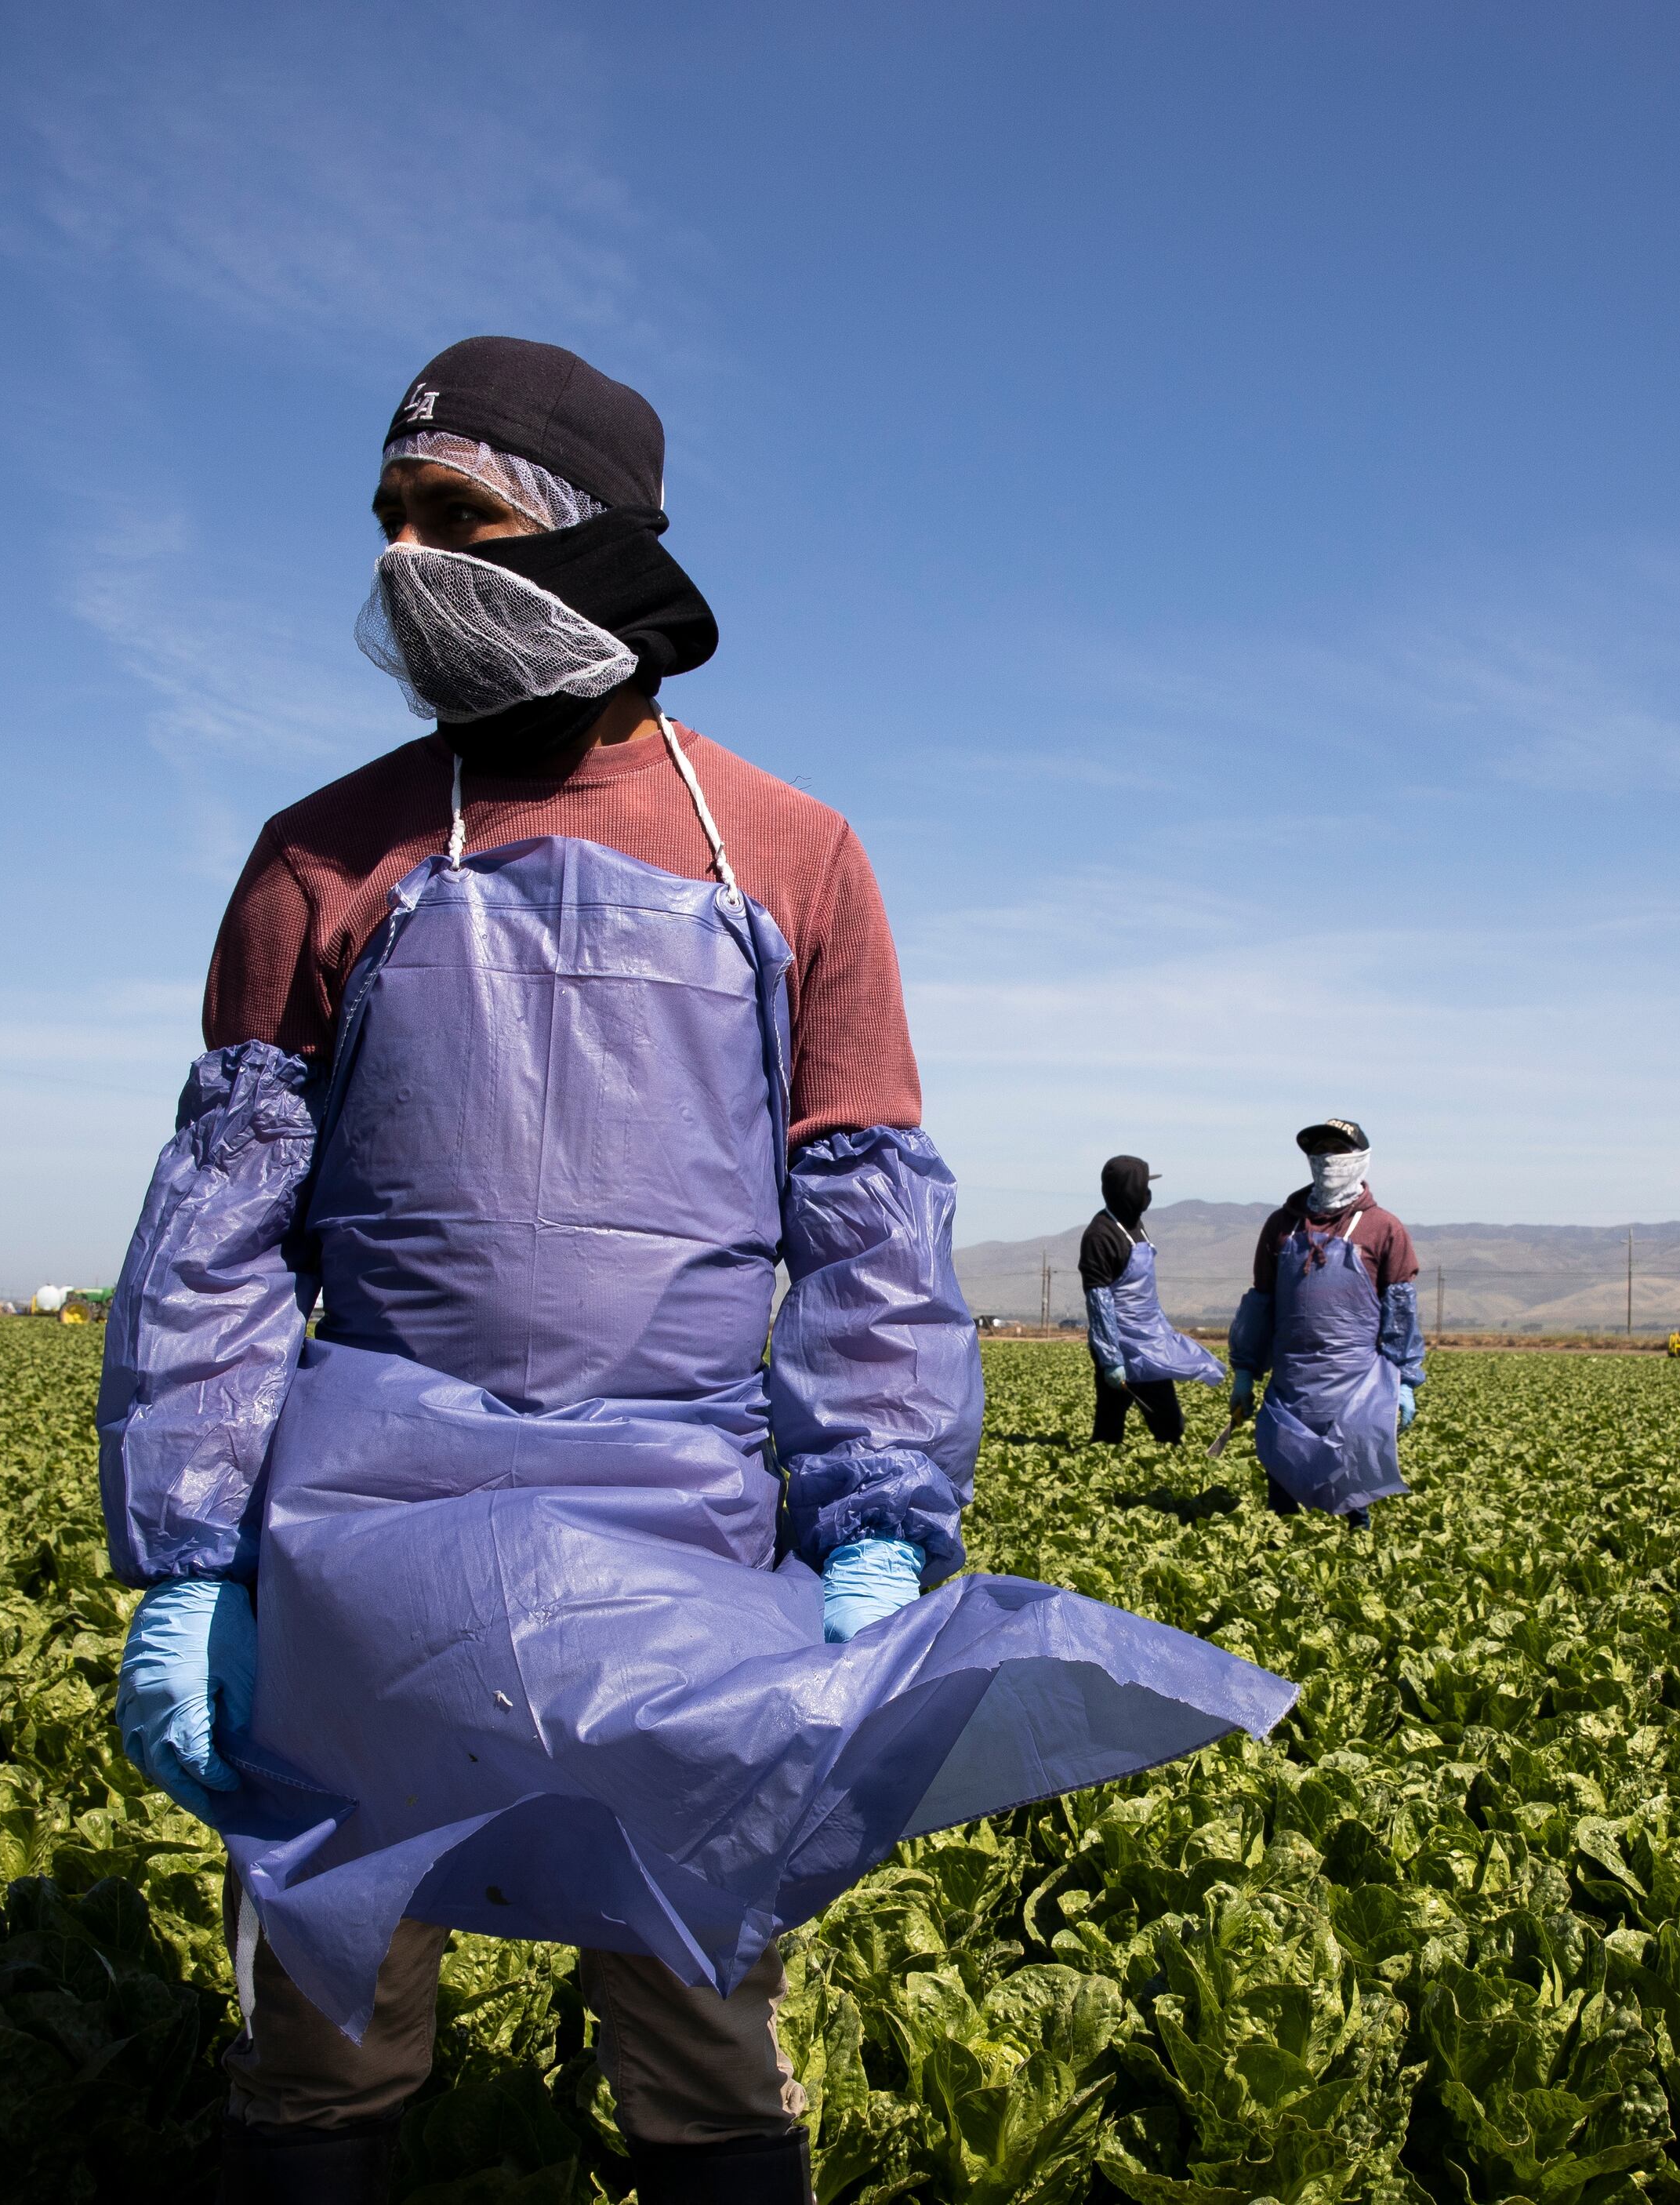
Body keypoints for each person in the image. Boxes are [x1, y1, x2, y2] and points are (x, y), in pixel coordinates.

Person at [95, 336, 1292, 2205]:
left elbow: (867, 1220)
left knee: (701, 1998)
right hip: (356, 1532)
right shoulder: (317, 860)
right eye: (389, 520)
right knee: (321, 2016)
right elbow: (216, 1242)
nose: (406, 561)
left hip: (683, 1521)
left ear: (586, 530)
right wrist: (189, 1557)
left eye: (456, 516)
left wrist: (876, 1511)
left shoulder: (795, 857)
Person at [1226, 1119, 1424, 1520]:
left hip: (1356, 1385)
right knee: (1282, 1473)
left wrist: (1404, 1380)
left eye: (1339, 1150)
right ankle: (1279, 1551)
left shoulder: (1383, 1228)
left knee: (1351, 1480)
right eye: (1320, 1151)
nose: (1329, 1160)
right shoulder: (1282, 1226)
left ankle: (1357, 1551)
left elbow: (1400, 1313)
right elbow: (1260, 1304)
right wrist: (1245, 1371)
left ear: (1361, 1160)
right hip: (1292, 1380)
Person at [1080, 1154, 1222, 1442]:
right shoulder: (1100, 1235)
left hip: (1149, 1337)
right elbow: (1099, 1302)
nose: (1148, 1195)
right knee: (1114, 1417)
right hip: (1122, 1342)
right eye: (1143, 1188)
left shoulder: (1134, 1224)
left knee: (1166, 1418)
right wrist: (1111, 1359)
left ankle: (1157, 1449)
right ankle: (1104, 1462)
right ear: (1129, 1191)